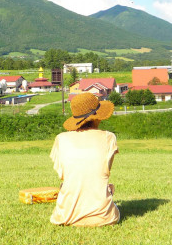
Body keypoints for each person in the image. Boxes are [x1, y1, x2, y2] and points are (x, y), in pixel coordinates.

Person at [49, 92, 120, 226]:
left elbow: (64, 176)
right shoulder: (109, 137)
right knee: (108, 189)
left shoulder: (61, 139)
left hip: (65, 217)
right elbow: (103, 172)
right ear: (97, 117)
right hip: (103, 218)